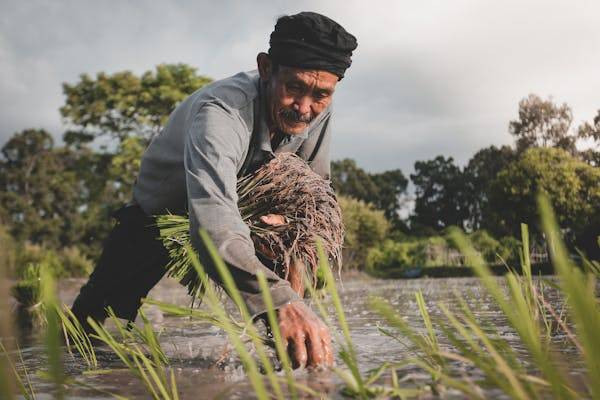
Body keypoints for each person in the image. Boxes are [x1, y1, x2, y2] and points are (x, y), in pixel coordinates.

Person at [71, 11, 357, 369]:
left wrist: (289, 233)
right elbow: (215, 224)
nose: (304, 108)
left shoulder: (317, 109)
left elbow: (315, 193)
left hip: (248, 213)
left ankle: (285, 362)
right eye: (294, 88)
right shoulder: (222, 113)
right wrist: (278, 300)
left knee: (292, 255)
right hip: (162, 214)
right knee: (94, 325)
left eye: (321, 94)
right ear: (266, 68)